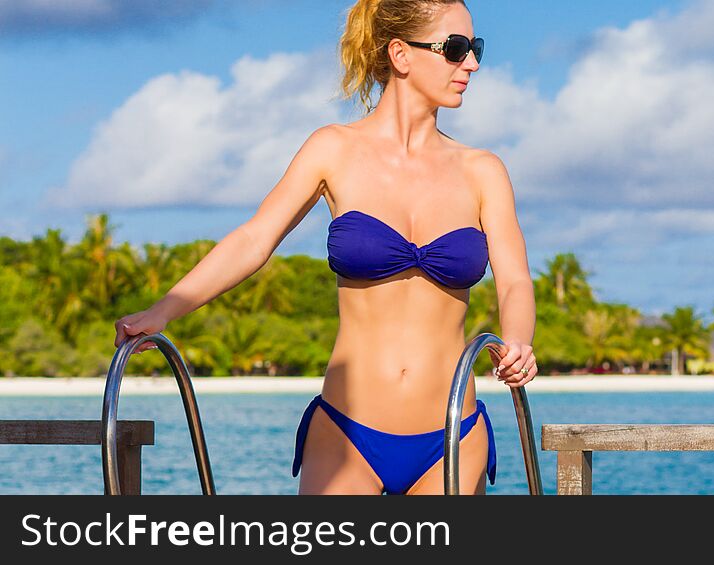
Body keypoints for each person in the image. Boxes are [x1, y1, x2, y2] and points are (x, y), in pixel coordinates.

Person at [114, 0, 537, 495]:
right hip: (347, 432)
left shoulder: (482, 171)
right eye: (456, 48)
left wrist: (518, 340)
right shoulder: (333, 150)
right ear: (400, 54)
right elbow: (255, 239)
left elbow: (514, 280)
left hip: (452, 433)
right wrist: (164, 310)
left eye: (475, 48)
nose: (472, 63)